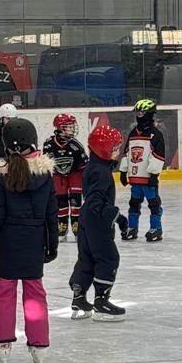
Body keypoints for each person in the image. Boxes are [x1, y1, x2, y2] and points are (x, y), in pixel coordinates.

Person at [0, 117, 59, 363]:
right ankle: (39, 343)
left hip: (8, 242)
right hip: (34, 242)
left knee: (4, 292)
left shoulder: (0, 176)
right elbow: (51, 214)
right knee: (35, 293)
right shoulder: (45, 174)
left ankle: (2, 342)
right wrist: (52, 245)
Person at [69, 123, 126, 321]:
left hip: (86, 217)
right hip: (97, 221)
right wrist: (117, 217)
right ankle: (101, 301)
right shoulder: (102, 172)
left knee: (87, 258)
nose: (118, 152)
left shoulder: (92, 167)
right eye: (115, 148)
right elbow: (97, 202)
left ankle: (79, 298)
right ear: (103, 149)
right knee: (108, 257)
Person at [121, 98, 167, 242]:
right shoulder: (133, 133)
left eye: (141, 113)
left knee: (154, 204)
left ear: (150, 114)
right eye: (137, 113)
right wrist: (123, 171)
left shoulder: (156, 135)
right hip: (135, 178)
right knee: (134, 203)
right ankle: (132, 228)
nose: (139, 116)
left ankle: (156, 228)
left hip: (148, 179)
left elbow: (158, 156)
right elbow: (127, 153)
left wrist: (153, 174)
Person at [43, 112, 86, 240]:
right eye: (69, 126)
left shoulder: (76, 146)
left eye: (72, 126)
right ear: (60, 128)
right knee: (60, 201)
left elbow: (83, 165)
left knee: (75, 200)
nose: (72, 129)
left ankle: (76, 224)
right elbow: (45, 163)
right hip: (58, 176)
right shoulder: (49, 145)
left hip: (75, 175)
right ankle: (62, 224)